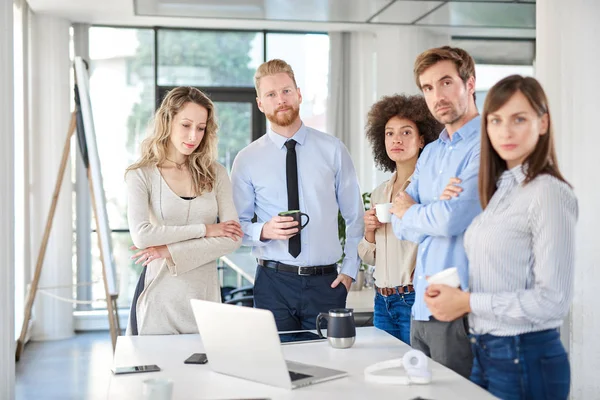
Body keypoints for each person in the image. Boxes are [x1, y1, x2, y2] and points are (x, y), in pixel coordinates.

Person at [425, 75, 577, 400]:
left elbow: (553, 300)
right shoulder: (501, 190)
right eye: (495, 120)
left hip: (524, 355)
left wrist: (467, 302)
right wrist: (458, 295)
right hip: (486, 351)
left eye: (519, 119)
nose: (505, 132)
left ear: (543, 122)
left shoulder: (548, 193)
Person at [230, 59, 364, 331]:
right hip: (272, 282)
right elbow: (235, 228)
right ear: (260, 104)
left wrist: (350, 269)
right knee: (278, 367)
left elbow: (355, 216)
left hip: (326, 284)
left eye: (286, 91)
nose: (281, 99)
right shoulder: (247, 160)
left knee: (332, 368)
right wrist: (264, 230)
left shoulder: (333, 150)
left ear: (299, 94)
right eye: (271, 94)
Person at [389, 46, 481, 378]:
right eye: (428, 87)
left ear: (469, 83)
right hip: (421, 309)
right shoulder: (430, 154)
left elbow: (452, 219)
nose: (436, 95)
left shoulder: (485, 145)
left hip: (459, 311)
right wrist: (430, 211)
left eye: (445, 83)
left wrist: (417, 210)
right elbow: (400, 228)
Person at [125, 86, 242, 335]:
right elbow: (142, 236)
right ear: (168, 121)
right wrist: (206, 230)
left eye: (201, 128)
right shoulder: (140, 175)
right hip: (159, 300)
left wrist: (169, 250)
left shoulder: (217, 173)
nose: (193, 136)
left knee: (207, 373)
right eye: (186, 125)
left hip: (205, 300)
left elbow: (232, 238)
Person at [358, 94, 441, 344]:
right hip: (382, 302)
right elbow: (371, 258)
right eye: (389, 133)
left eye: (406, 133)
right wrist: (369, 232)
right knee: (385, 375)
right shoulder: (379, 193)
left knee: (415, 375)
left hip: (413, 299)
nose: (396, 139)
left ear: (422, 139)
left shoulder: (429, 188)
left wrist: (414, 213)